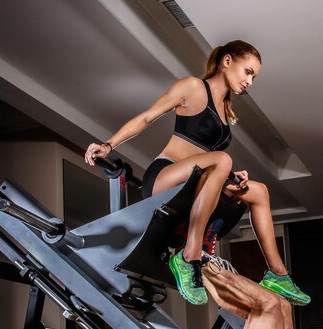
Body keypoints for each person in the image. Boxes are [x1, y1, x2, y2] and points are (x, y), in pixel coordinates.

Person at [84, 40, 309, 307]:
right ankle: (189, 255)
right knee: (223, 160)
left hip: (194, 182)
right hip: (164, 178)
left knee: (258, 191)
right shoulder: (193, 87)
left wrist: (230, 176)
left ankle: (277, 275)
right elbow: (147, 117)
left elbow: (207, 161)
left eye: (254, 77)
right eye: (247, 71)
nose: (250, 81)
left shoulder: (226, 108)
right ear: (227, 61)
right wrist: (108, 145)